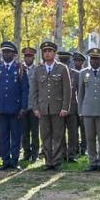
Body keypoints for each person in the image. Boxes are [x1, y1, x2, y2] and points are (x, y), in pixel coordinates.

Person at [30, 41, 72, 171]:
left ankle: (57, 161)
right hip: (43, 109)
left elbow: (67, 90)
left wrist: (65, 107)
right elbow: (34, 91)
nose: (47, 53)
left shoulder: (62, 68)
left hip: (57, 108)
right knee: (45, 136)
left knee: (58, 135)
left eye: (49, 51)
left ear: (54, 53)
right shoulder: (38, 70)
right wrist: (35, 108)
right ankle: (48, 161)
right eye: (45, 51)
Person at [0, 41, 29, 170]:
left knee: (16, 136)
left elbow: (25, 89)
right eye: (4, 52)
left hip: (16, 109)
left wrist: (23, 107)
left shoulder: (20, 68)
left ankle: (14, 160)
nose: (6, 54)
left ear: (14, 54)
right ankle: (5, 161)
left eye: (9, 52)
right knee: (3, 136)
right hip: (1, 108)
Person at [57, 51, 80, 162]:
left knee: (73, 133)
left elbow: (80, 93)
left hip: (72, 107)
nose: (64, 63)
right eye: (62, 61)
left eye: (66, 61)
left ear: (69, 62)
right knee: (59, 132)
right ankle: (61, 153)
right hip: (58, 108)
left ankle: (71, 154)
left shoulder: (76, 74)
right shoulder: (55, 73)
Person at [21, 46, 40, 162]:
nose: (28, 58)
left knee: (35, 131)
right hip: (23, 106)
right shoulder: (20, 69)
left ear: (34, 57)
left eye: (30, 56)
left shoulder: (38, 70)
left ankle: (35, 154)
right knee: (24, 131)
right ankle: (26, 153)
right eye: (26, 56)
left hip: (34, 106)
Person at [72, 51, 87, 155]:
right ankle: (75, 147)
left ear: (83, 62)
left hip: (84, 106)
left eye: (79, 61)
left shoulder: (86, 73)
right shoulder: (71, 73)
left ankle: (84, 148)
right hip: (73, 106)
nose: (77, 63)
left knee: (84, 129)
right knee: (73, 129)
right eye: (76, 61)